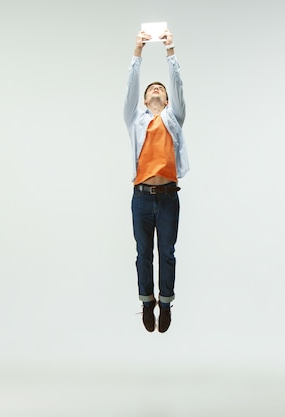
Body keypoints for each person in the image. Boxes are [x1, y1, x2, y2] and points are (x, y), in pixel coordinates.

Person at [123, 28, 189, 333]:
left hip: (167, 197)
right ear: (146, 98)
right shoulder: (135, 119)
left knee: (168, 253)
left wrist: (170, 52)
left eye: (159, 88)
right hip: (142, 196)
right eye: (152, 88)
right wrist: (137, 53)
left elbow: (177, 87)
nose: (156, 90)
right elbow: (130, 89)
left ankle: (165, 303)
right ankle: (146, 302)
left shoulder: (174, 117)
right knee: (143, 253)